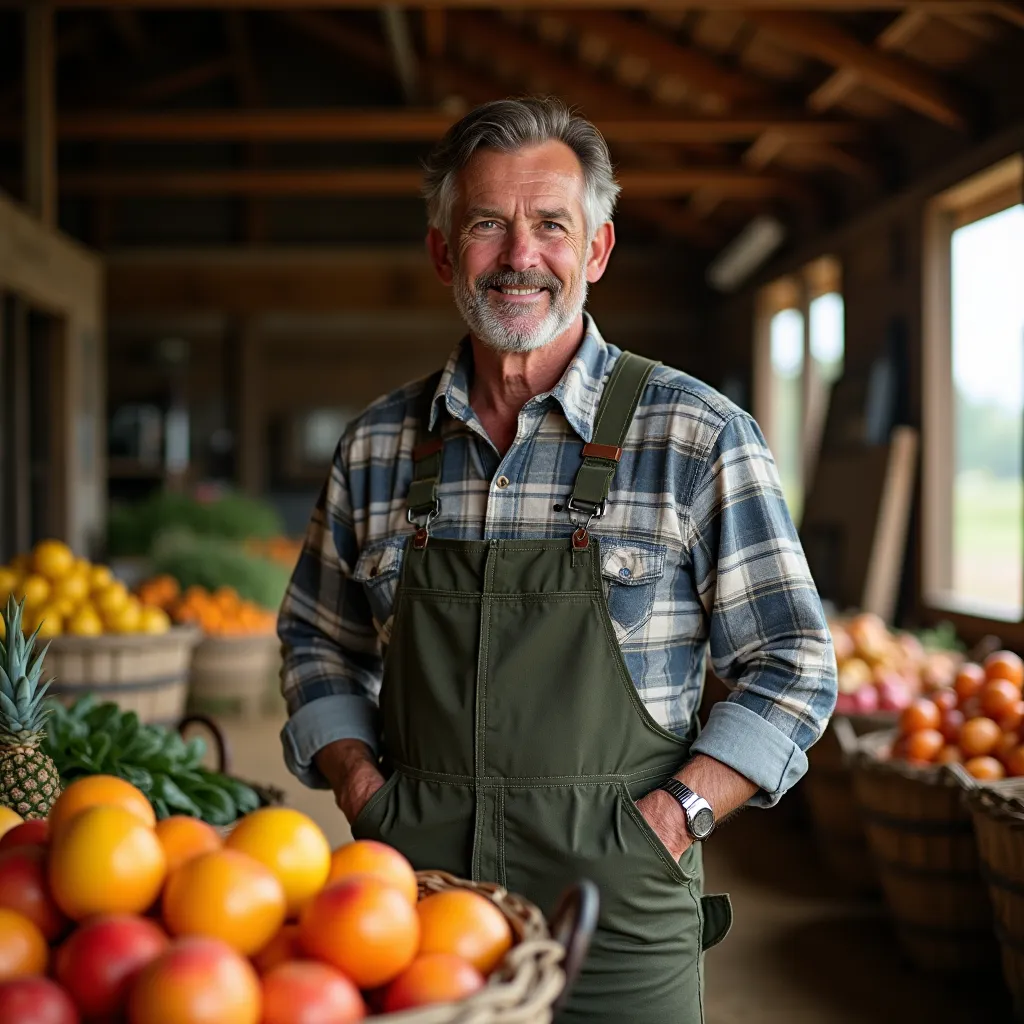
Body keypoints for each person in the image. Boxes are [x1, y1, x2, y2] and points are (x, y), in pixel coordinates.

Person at [278, 96, 837, 1023]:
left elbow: (792, 662)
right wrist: (362, 788)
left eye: (550, 226)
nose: (520, 257)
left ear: (596, 252)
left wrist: (673, 821)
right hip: (418, 905)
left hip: (621, 901)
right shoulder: (378, 446)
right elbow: (316, 640)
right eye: (488, 225)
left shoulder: (695, 436)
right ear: (442, 252)